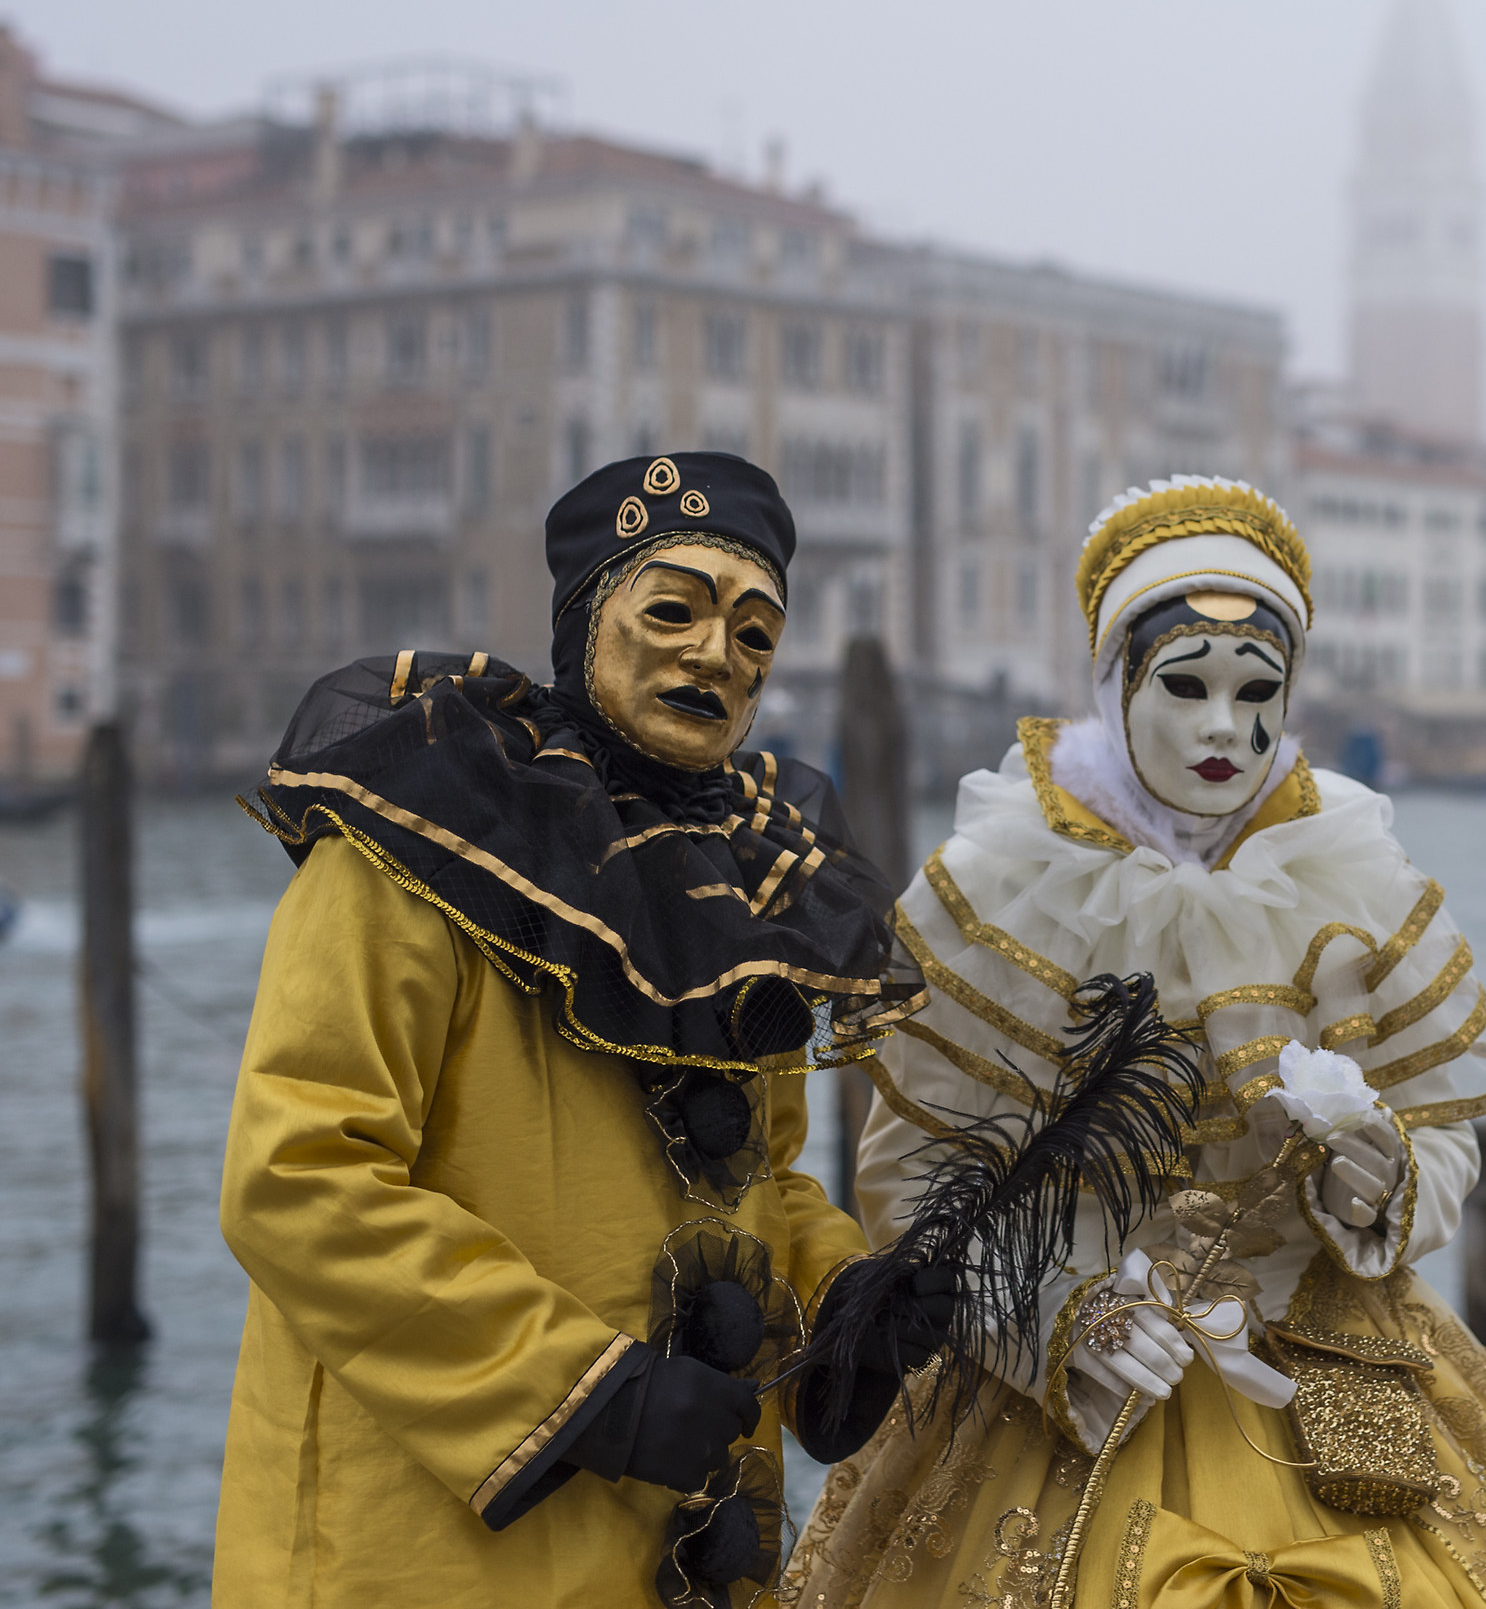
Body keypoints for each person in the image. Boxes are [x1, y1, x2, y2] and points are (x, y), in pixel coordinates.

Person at [785, 476, 1486, 1609]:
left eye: (1258, 692)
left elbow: (1440, 1136)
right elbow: (913, 1185)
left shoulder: (1352, 877)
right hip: (1074, 1393)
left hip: (1335, 1369)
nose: (1225, 730)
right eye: (1186, 685)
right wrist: (1049, 1323)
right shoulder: (1001, 887)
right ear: (1115, 683)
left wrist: (1380, 1183)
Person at [215, 452, 947, 1609]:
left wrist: (846, 1306)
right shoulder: (411, 846)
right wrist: (581, 1388)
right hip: (427, 1551)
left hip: (674, 1546)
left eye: (755, 633)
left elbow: (761, 1182)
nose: (717, 654)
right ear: (585, 619)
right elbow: (298, 1175)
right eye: (673, 611)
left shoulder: (743, 897)